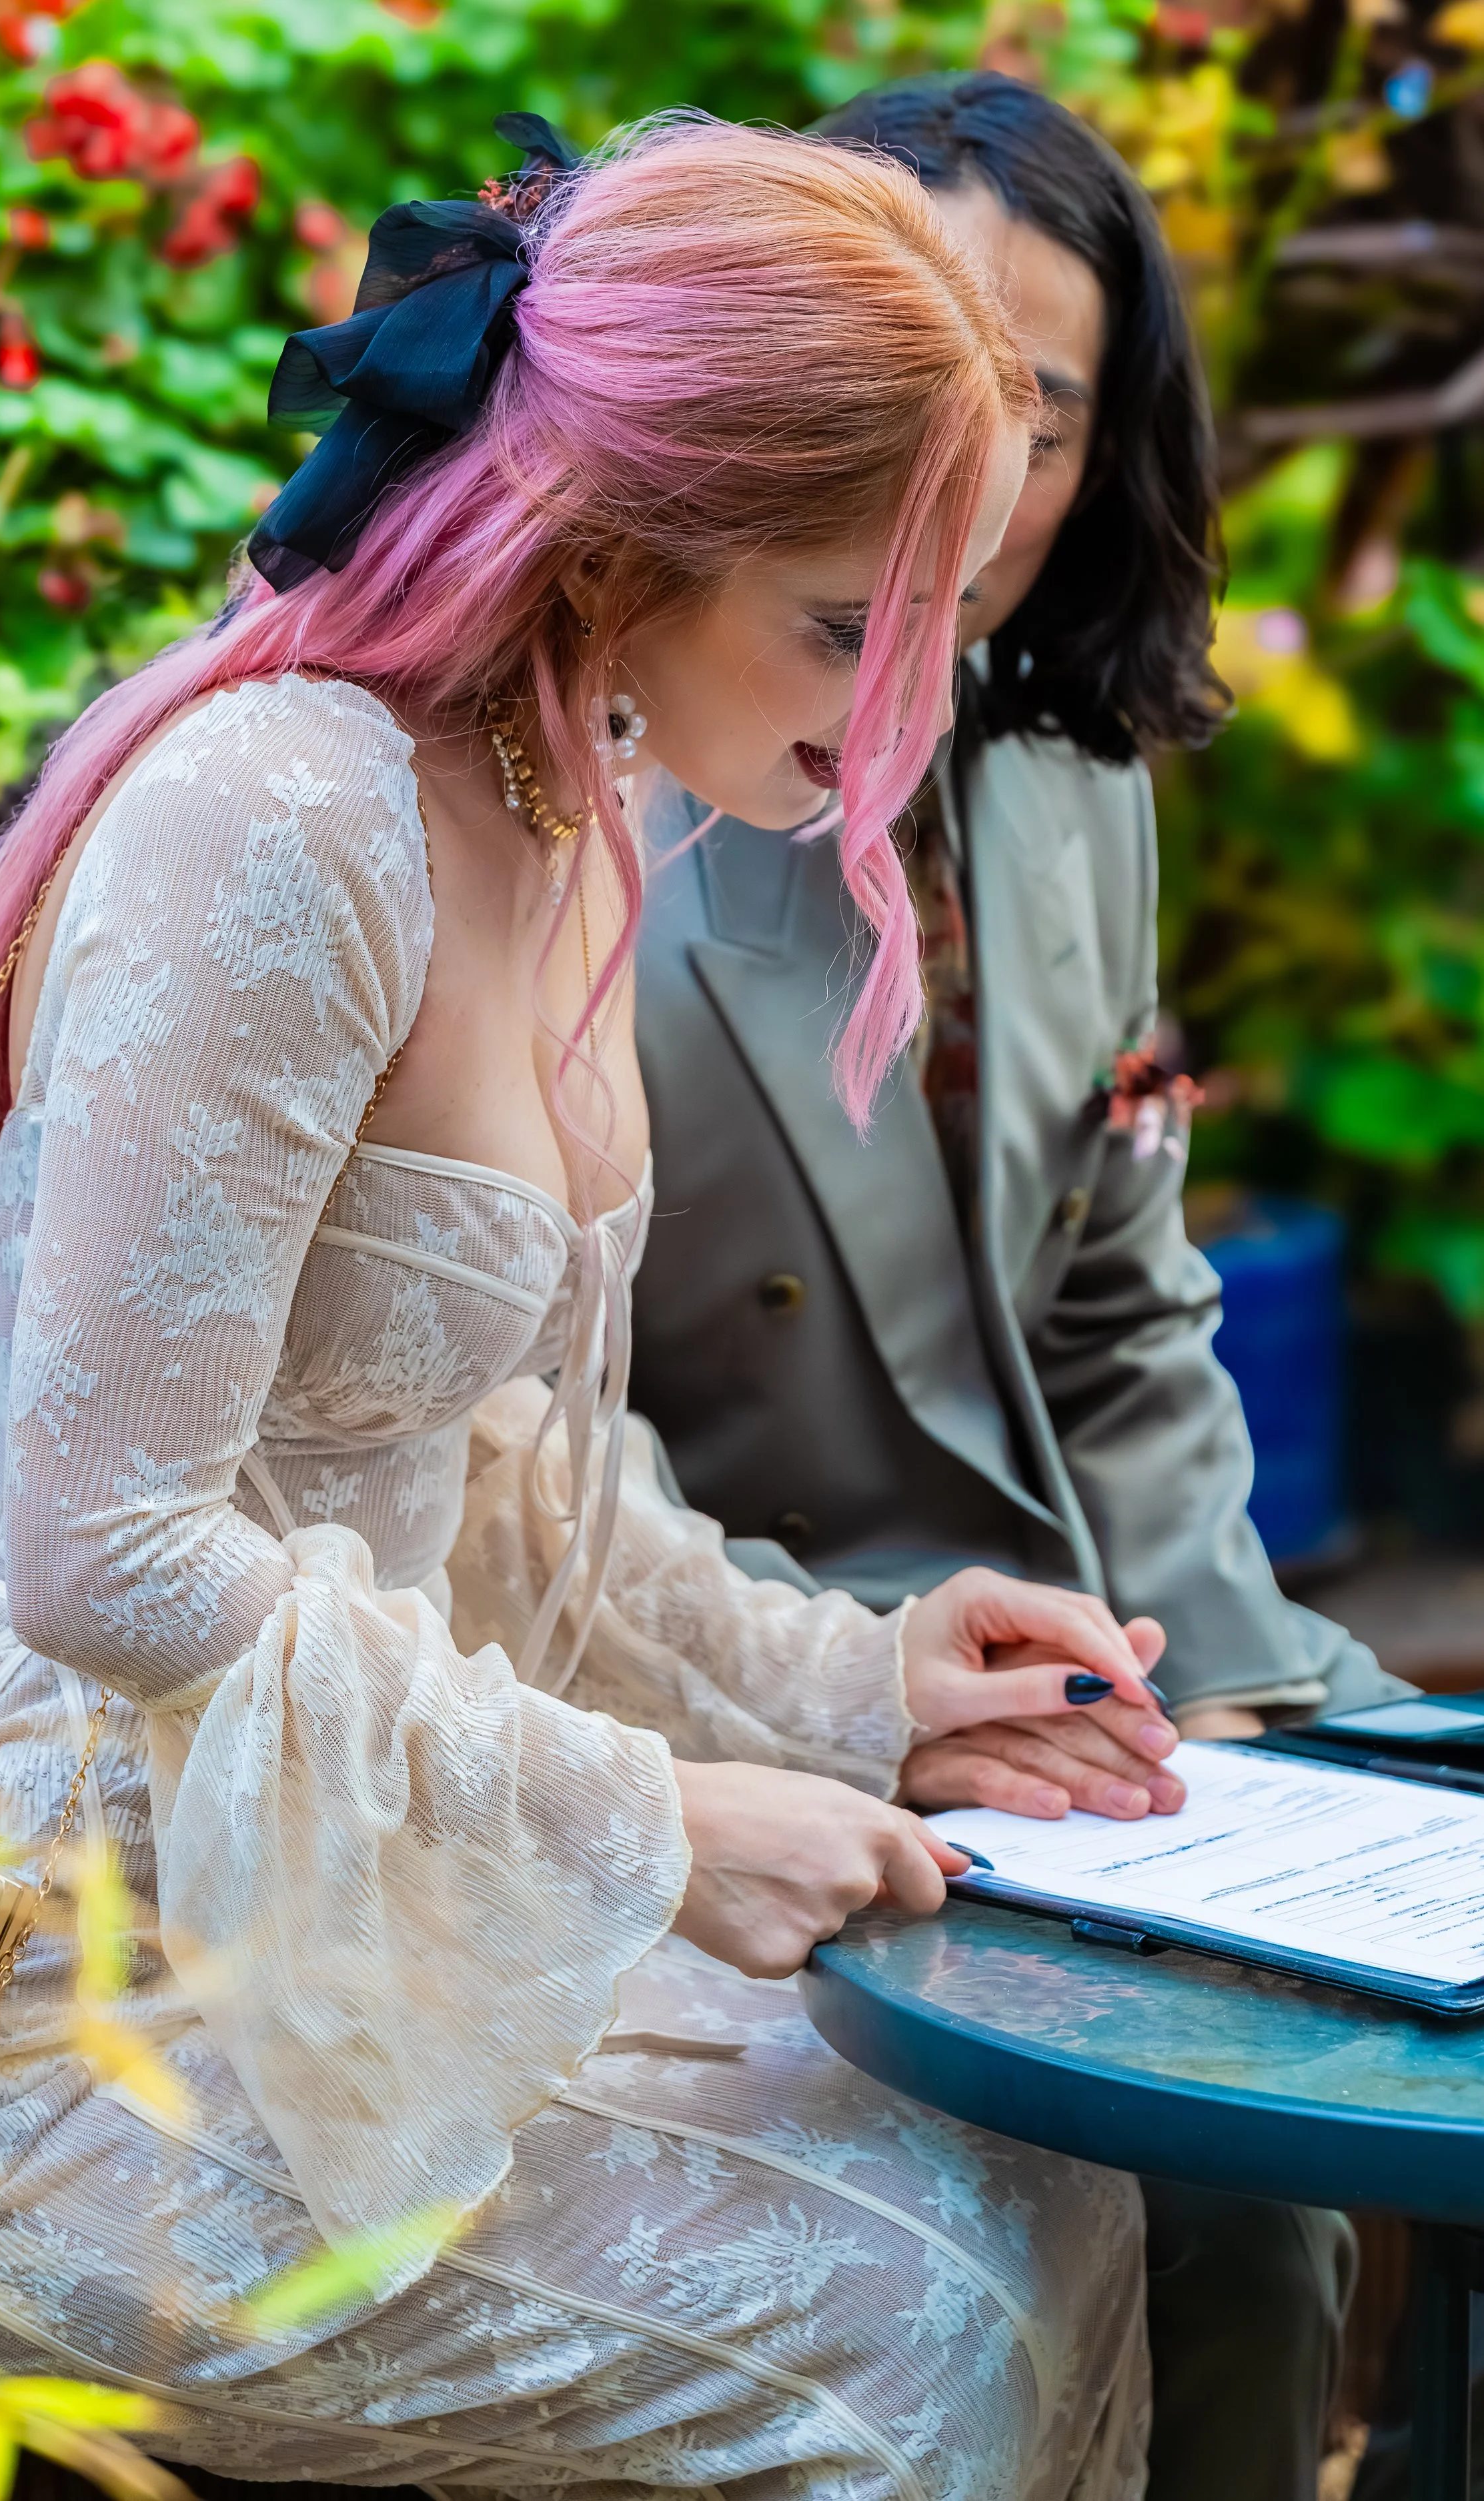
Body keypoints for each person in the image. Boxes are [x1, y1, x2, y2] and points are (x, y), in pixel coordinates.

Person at [0, 113, 1166, 2501]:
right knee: (909, 2327)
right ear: (618, 545)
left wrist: (857, 1690)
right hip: (39, 2024)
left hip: (344, 1912)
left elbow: (529, 1487)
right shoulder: (282, 820)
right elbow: (104, 1548)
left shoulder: (560, 817)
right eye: (854, 630)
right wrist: (646, 1816)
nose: (909, 718)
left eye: (937, 629)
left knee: (1055, 2184)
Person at [629, 75, 1407, 2501]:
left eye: (1037, 415)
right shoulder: (613, 777)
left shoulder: (1072, 777)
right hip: (739, 1668)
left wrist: (1250, 1693)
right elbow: (510, 1426)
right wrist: (841, 1691)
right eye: (910, 360)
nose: (962, 457)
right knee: (1230, 2195)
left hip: (1090, 1658)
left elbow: (1118, 1313)